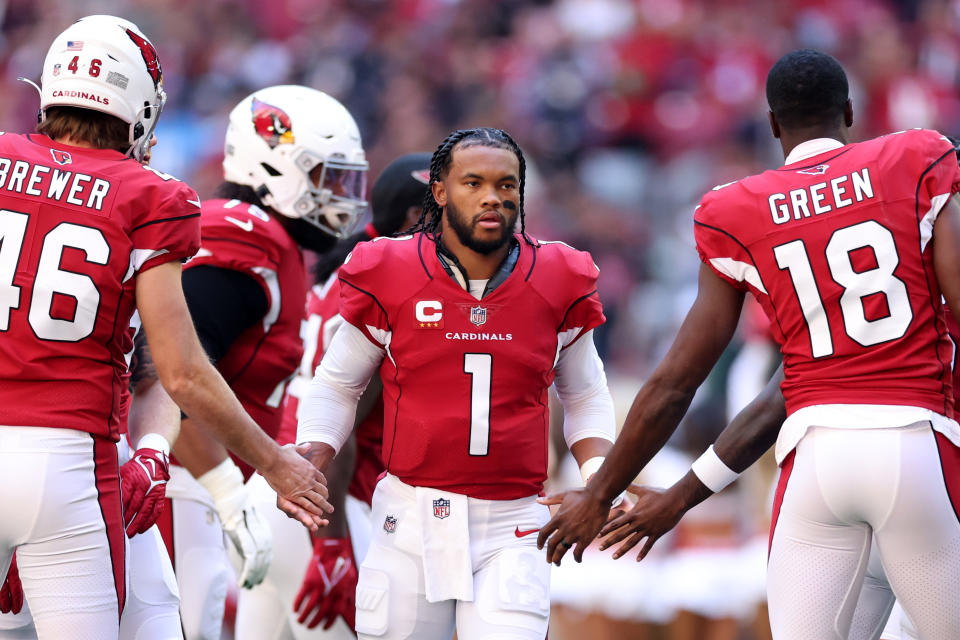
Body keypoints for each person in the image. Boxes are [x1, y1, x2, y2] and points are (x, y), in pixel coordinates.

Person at [537, 49, 960, 640]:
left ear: (772, 124)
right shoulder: (917, 157)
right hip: (919, 444)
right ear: (850, 111)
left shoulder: (736, 209)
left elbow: (677, 381)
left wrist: (602, 493)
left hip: (814, 462)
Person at [0, 15, 331, 640]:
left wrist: (151, 450)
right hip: (68, 464)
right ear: (140, 104)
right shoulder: (150, 196)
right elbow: (180, 369)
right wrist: (274, 465)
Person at [297, 127, 619, 640]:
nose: (493, 196)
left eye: (506, 185)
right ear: (441, 193)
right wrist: (315, 447)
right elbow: (338, 384)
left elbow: (582, 392)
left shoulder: (559, 274)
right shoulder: (390, 268)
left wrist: (599, 478)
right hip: (407, 519)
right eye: (474, 182)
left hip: (513, 524)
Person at [128, 85, 368, 640]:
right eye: (327, 178)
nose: (341, 197)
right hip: (171, 485)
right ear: (273, 165)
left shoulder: (271, 241)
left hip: (183, 483)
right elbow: (166, 373)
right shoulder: (247, 235)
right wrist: (227, 492)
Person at [238, 152, 431, 640]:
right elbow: (337, 419)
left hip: (275, 491)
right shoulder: (392, 279)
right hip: (318, 502)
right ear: (416, 218)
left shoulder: (345, 264)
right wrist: (331, 545)